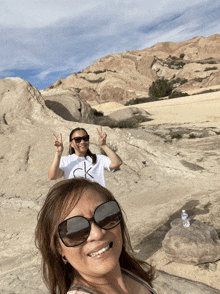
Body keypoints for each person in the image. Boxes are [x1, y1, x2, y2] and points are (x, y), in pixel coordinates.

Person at [35, 178, 156, 294]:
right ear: (58, 248)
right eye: (75, 230)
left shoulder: (130, 275)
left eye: (105, 215)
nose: (97, 233)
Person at [48, 127, 122, 187]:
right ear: (71, 144)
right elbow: (52, 176)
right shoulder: (66, 160)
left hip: (97, 201)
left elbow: (117, 163)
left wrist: (103, 145)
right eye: (78, 140)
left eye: (85, 138)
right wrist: (58, 153)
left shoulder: (99, 159)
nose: (82, 142)